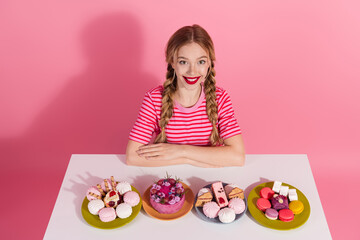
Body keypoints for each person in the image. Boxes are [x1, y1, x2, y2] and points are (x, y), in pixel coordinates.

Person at [126, 24, 245, 167]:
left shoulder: (221, 98)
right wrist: (188, 160)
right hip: (170, 179)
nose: (192, 71)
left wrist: (182, 151)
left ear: (209, 63)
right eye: (183, 62)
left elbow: (238, 157)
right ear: (172, 63)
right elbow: (132, 157)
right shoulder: (154, 99)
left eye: (200, 62)